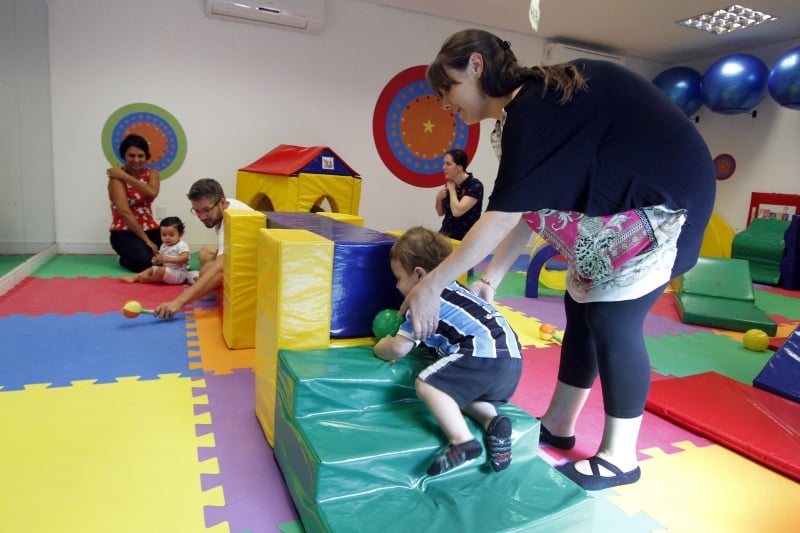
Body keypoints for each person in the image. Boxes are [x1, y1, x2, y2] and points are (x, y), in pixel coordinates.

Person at [400, 29, 716, 490]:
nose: (447, 105)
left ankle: (620, 457)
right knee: (582, 313)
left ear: (475, 66)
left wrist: (433, 285)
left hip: (668, 202)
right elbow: (532, 203)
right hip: (624, 202)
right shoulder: (523, 114)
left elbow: (501, 215)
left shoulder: (534, 108)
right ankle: (561, 423)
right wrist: (493, 276)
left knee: (613, 321)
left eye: (447, 90)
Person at [374, 226, 522, 476]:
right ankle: (492, 421)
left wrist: (381, 346)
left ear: (419, 275)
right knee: (455, 397)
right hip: (512, 361)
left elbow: (398, 349)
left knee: (429, 385)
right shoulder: (457, 290)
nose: (398, 286)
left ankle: (462, 441)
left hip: (482, 356)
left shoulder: (425, 301)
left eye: (399, 278)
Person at [153, 178, 253, 319]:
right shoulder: (225, 208)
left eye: (206, 210)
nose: (202, 217)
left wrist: (178, 302)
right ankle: (205, 283)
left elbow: (220, 269)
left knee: (208, 272)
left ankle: (208, 288)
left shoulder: (232, 221)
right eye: (197, 211)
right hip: (244, 253)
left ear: (222, 203)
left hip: (255, 266)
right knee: (204, 252)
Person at [108, 134, 161, 272]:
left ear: (146, 156)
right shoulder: (116, 179)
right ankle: (123, 258)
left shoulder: (152, 174)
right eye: (131, 156)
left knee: (171, 257)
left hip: (150, 227)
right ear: (124, 156)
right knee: (147, 263)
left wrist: (125, 176)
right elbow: (125, 213)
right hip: (124, 231)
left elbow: (151, 192)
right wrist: (147, 241)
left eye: (140, 156)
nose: (136, 160)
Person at [120, 217, 191, 284]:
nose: (167, 238)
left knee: (160, 271)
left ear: (180, 234)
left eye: (171, 235)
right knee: (152, 268)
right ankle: (135, 277)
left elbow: (184, 259)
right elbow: (160, 258)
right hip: (166, 271)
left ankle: (149, 279)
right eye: (164, 235)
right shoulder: (164, 245)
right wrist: (157, 261)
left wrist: (168, 259)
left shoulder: (181, 245)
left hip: (179, 274)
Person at [435, 149, 484, 240]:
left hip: (466, 239)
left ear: (459, 168)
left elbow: (457, 212)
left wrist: (452, 191)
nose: (443, 167)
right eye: (444, 163)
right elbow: (440, 212)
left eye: (448, 164)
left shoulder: (475, 185)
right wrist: (438, 199)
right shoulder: (450, 184)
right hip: (446, 234)